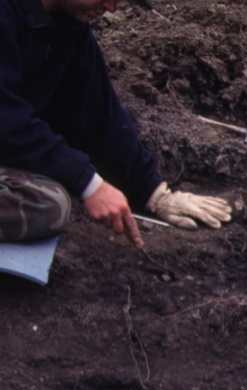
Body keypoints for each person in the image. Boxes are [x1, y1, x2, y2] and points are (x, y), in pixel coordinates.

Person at [1, 0, 232, 249]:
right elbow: (6, 120)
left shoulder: (66, 22)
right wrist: (89, 185)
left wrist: (153, 193)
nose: (111, 7)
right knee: (47, 205)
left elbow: (98, 112)